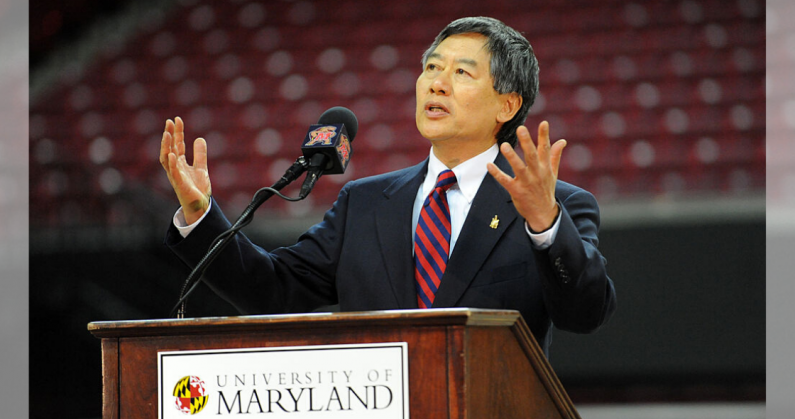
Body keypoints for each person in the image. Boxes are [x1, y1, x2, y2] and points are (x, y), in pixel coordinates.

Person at [160, 17, 616, 355]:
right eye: (432, 68)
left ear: (507, 104)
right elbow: (271, 290)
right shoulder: (365, 202)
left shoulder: (558, 206)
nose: (436, 84)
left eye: (461, 73)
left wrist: (544, 223)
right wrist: (201, 213)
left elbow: (585, 313)